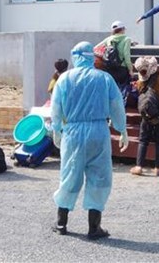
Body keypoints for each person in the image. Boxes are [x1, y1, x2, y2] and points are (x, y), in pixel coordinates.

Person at [50, 41, 129, 240]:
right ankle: (94, 228)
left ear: (75, 57)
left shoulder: (64, 79)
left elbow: (56, 109)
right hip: (98, 131)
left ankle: (61, 223)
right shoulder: (104, 79)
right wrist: (122, 129)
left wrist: (57, 129)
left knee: (69, 174)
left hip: (73, 132)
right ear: (92, 57)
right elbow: (117, 106)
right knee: (100, 177)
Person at [130, 56, 159, 177]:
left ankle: (139, 166)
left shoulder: (140, 82)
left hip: (147, 116)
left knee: (143, 140)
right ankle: (158, 168)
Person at [95, 21, 134, 100]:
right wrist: (130, 69)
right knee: (122, 90)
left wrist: (103, 57)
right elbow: (126, 55)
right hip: (122, 68)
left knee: (110, 89)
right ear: (122, 29)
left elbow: (95, 48)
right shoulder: (127, 39)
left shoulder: (109, 39)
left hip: (109, 68)